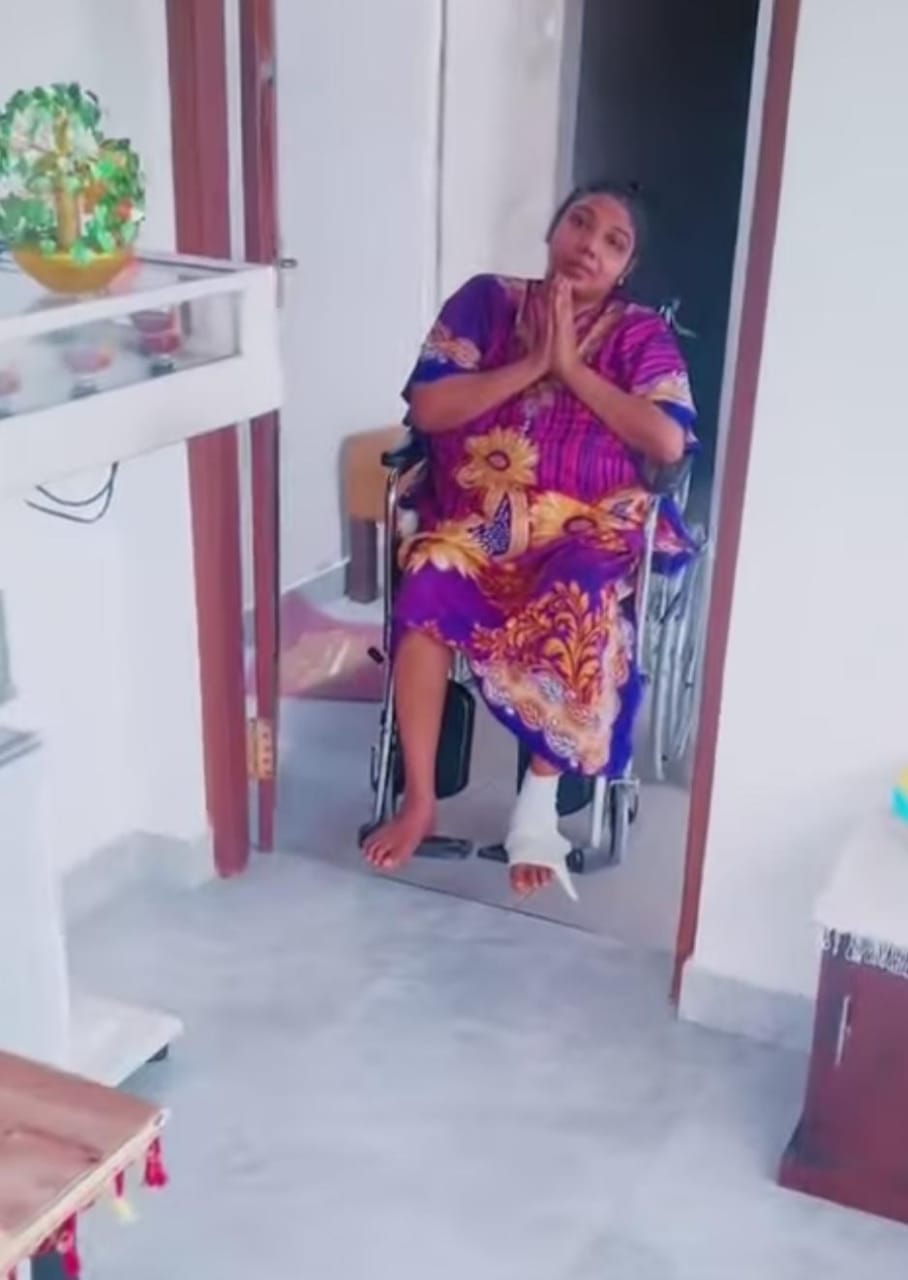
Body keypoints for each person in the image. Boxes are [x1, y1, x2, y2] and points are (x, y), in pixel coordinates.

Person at [363, 180, 697, 899]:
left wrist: (572, 370)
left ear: (627, 268)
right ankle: (419, 801)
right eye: (580, 223)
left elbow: (667, 440)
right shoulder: (487, 302)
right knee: (430, 572)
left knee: (580, 590)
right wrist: (532, 366)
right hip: (484, 521)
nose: (590, 246)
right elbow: (430, 405)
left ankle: (536, 812)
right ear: (552, 231)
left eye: (614, 242)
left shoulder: (640, 335)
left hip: (590, 525)